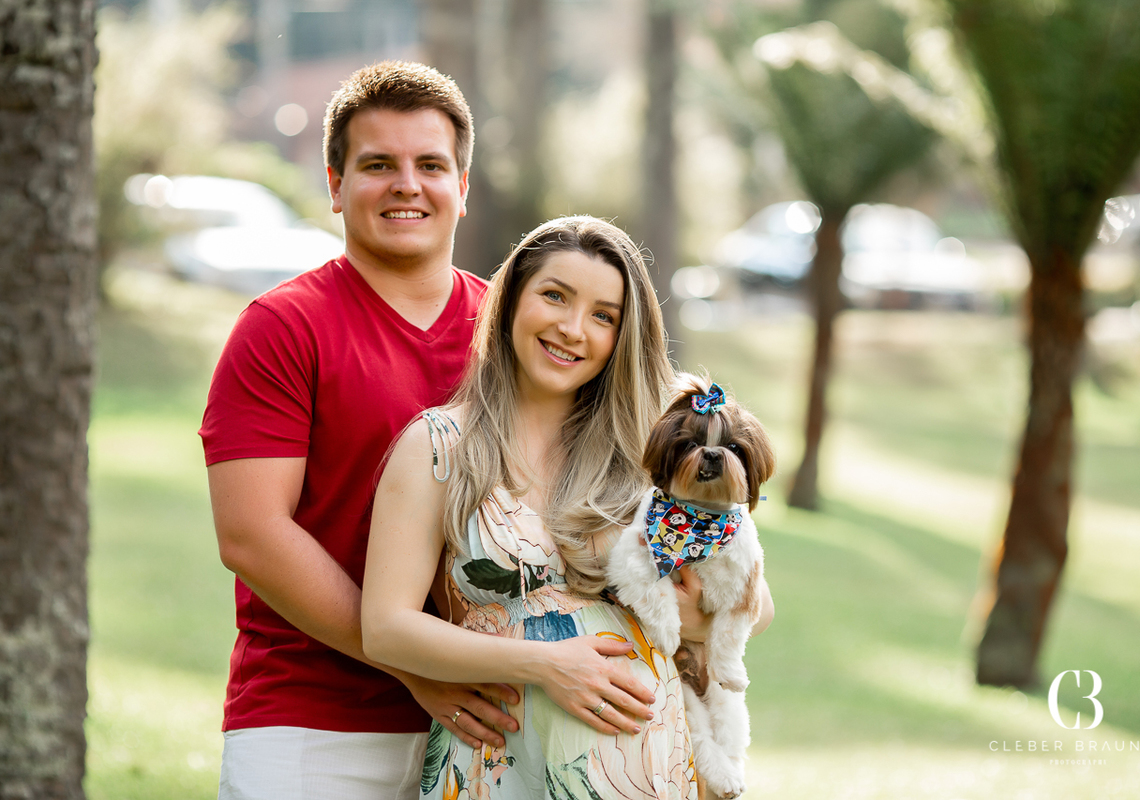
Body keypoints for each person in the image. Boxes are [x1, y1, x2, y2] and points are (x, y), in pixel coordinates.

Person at [362, 215, 772, 799]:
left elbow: (755, 599)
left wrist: (694, 621)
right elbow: (385, 629)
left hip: (658, 770)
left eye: (603, 315)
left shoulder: (656, 445)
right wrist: (546, 664)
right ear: (510, 302)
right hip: (501, 769)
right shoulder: (437, 448)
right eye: (555, 296)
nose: (573, 329)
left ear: (622, 336)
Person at [200, 61, 519, 800]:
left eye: (430, 165)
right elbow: (251, 534)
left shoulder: (510, 336)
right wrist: (416, 667)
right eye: (378, 165)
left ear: (462, 188)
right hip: (312, 725)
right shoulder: (282, 328)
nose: (407, 184)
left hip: (490, 723)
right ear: (336, 185)